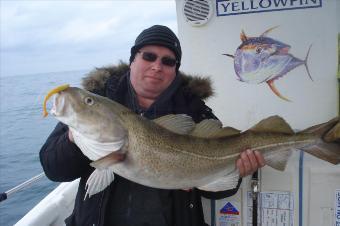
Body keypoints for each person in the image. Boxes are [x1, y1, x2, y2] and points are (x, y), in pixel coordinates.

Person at [40, 25, 266, 226]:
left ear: (175, 69)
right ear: (132, 60)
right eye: (149, 56)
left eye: (168, 61)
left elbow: (215, 190)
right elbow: (53, 168)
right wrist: (72, 138)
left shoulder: (195, 111)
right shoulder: (100, 101)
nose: (157, 66)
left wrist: (239, 171)